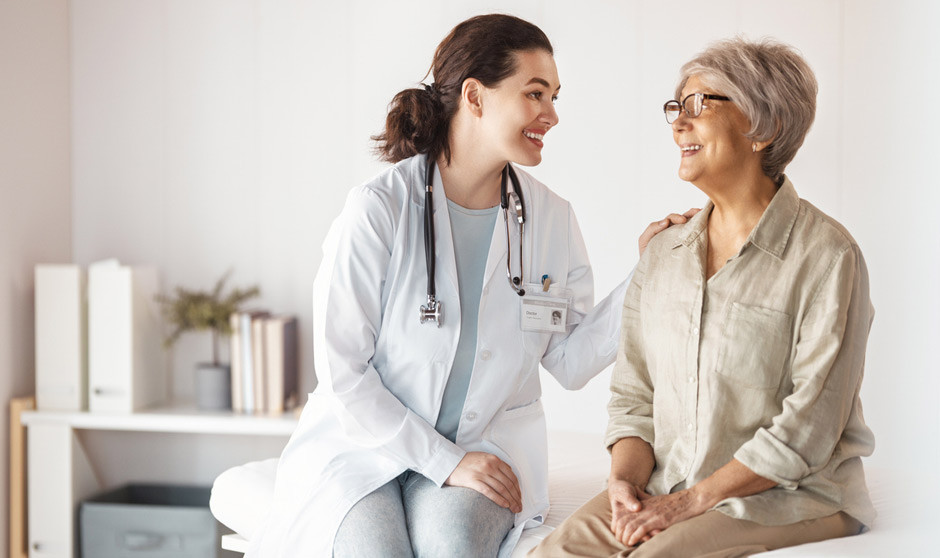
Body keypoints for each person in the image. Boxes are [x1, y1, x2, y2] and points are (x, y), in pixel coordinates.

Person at [245, 14, 689, 558]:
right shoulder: (381, 209)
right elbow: (344, 374)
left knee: (452, 544)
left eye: (553, 96)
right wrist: (444, 462)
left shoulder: (550, 219)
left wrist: (645, 277)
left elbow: (570, 362)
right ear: (475, 97)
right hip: (363, 447)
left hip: (486, 448)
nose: (551, 114)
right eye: (535, 93)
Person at [530, 38, 876, 558]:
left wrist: (690, 503)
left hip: (790, 496)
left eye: (699, 105)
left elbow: (808, 429)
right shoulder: (663, 254)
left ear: (766, 128)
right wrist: (624, 483)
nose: (678, 124)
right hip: (667, 484)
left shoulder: (828, 257)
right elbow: (634, 398)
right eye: (676, 108)